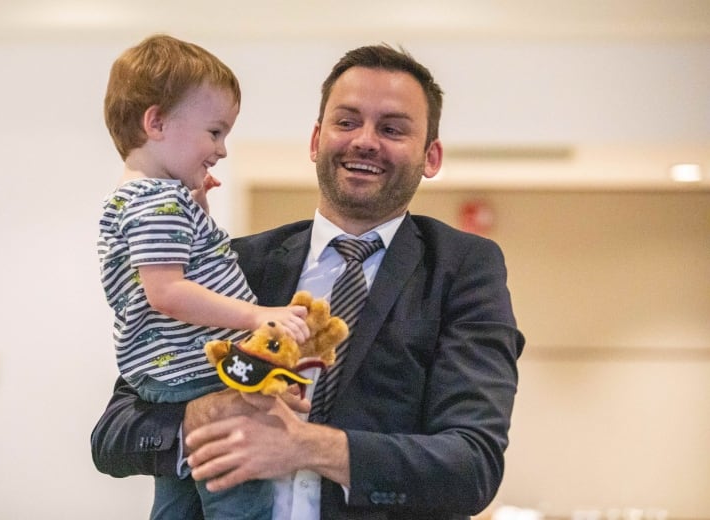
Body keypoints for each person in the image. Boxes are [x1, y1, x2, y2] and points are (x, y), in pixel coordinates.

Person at [92, 43, 525, 520]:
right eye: (346, 121)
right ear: (316, 140)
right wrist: (195, 419)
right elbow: (113, 434)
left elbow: (471, 466)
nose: (365, 140)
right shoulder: (236, 263)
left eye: (392, 129)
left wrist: (304, 446)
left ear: (431, 156)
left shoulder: (463, 269)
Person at [97, 34, 310, 520]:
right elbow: (166, 293)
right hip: (196, 376)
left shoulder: (136, 200)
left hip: (165, 377)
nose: (223, 150)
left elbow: (178, 267)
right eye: (214, 132)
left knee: (180, 500)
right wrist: (259, 315)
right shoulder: (159, 203)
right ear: (156, 123)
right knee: (243, 495)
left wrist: (196, 211)